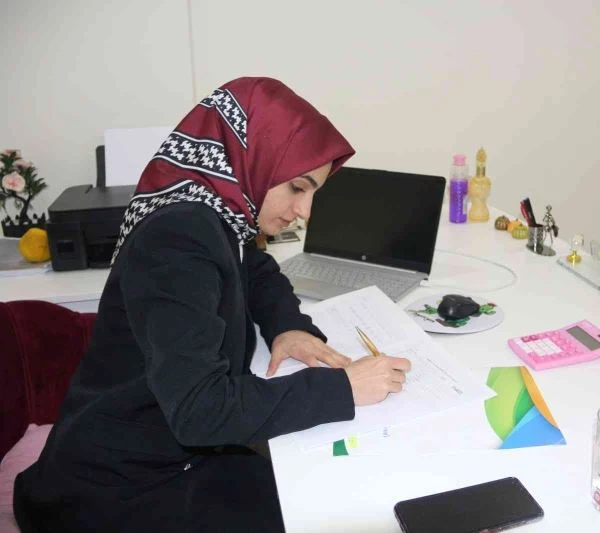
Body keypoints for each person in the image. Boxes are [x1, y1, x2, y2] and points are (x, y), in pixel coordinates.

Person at [13, 77, 411, 532]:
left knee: (330, 491)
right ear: (253, 159)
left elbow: (255, 270)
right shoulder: (177, 237)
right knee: (335, 511)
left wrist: (288, 325)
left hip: (170, 452)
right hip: (116, 489)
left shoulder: (219, 214)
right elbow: (201, 411)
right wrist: (343, 388)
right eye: (298, 188)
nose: (305, 212)